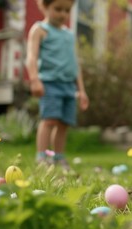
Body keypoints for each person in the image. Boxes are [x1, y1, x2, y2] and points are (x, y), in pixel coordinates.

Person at [25, 0, 89, 167]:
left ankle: (58, 157)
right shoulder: (40, 30)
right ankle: (42, 157)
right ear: (44, 7)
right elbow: (31, 57)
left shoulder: (69, 35)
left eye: (67, 10)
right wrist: (34, 79)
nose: (63, 14)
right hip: (49, 83)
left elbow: (75, 64)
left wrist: (81, 90)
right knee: (49, 120)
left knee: (64, 123)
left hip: (69, 86)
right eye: (58, 9)